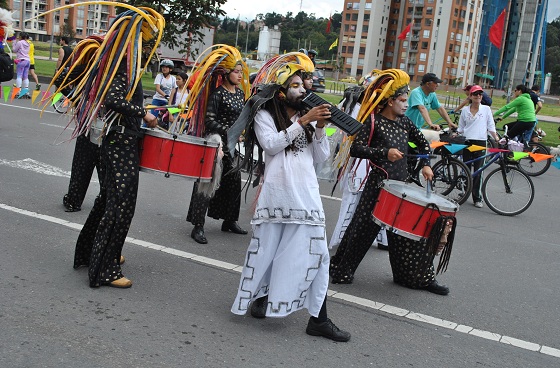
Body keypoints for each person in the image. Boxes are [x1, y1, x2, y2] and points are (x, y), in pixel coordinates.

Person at [230, 53, 350, 342]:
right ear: (281, 91)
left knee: (318, 255)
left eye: (303, 84)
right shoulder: (264, 115)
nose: (303, 90)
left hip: (306, 196)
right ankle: (261, 297)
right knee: (269, 251)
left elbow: (319, 159)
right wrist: (304, 120)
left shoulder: (305, 119)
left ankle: (318, 319)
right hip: (278, 195)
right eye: (296, 85)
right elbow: (271, 146)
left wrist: (319, 128)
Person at [330, 69, 455, 296]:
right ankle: (341, 269)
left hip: (401, 186)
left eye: (407, 100)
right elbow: (356, 148)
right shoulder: (373, 120)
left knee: (409, 233)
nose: (406, 105)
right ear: (389, 101)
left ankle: (416, 277)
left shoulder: (405, 122)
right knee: (361, 231)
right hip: (378, 186)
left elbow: (423, 143)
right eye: (402, 100)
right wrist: (383, 153)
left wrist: (426, 164)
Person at [70, 6, 164, 288]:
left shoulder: (122, 61)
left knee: (107, 201)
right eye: (148, 43)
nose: (151, 50)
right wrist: (143, 113)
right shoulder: (124, 62)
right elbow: (111, 99)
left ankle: (90, 254)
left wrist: (139, 110)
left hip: (117, 141)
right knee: (121, 206)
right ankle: (106, 269)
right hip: (119, 143)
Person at [185, 46, 250, 244]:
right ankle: (198, 225)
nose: (240, 75)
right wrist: (229, 131)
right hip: (216, 142)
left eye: (241, 71)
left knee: (233, 180)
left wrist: (242, 131)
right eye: (236, 72)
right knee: (207, 183)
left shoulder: (240, 94)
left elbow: (242, 117)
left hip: (233, 143)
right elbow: (209, 121)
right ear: (226, 74)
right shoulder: (217, 94)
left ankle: (229, 220)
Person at [456, 85, 499, 209]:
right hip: (467, 141)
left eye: (480, 94)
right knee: (466, 168)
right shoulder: (465, 110)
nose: (478, 96)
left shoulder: (486, 109)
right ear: (470, 96)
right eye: (475, 94)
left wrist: (496, 138)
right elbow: (461, 127)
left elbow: (491, 126)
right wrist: (456, 133)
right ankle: (464, 192)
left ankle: (477, 197)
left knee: (479, 171)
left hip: (480, 142)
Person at [11, 32, 31, 96]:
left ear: (21, 37)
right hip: (27, 60)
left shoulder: (20, 43)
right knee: (25, 76)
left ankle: (18, 91)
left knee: (19, 75)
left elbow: (14, 50)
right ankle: (26, 90)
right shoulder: (28, 43)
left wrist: (14, 43)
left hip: (21, 60)